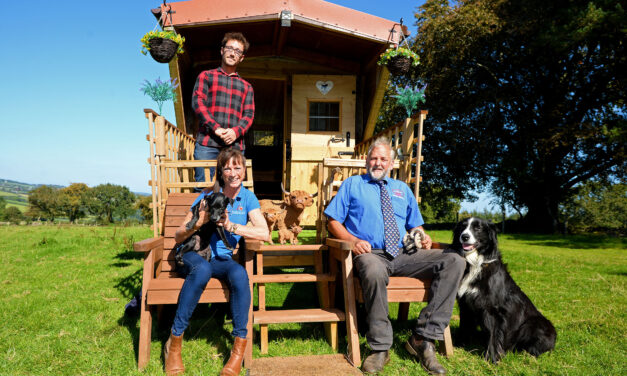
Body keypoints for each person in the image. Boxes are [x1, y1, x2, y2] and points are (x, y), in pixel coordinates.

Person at [324, 137, 465, 375]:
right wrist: (353, 241)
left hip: (405, 252)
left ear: (391, 164)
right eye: (374, 158)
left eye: (383, 159)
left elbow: (415, 226)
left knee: (455, 260)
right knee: (373, 270)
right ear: (366, 160)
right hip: (370, 253)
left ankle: (424, 338)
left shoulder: (402, 189)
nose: (378, 163)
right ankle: (380, 348)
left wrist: (422, 236)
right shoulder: (352, 184)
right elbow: (333, 221)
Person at [163, 148, 269, 376]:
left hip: (221, 259)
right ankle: (174, 342)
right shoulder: (206, 195)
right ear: (220, 171)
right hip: (194, 255)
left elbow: (264, 233)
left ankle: (237, 352)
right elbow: (179, 236)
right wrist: (199, 222)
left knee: (240, 274)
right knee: (201, 270)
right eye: (227, 167)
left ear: (244, 170)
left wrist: (231, 226)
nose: (233, 172)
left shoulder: (248, 198)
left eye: (237, 167)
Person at [191, 32, 255, 185]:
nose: (233, 53)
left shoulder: (247, 87)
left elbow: (249, 115)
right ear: (222, 50)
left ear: (242, 58)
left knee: (233, 188)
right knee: (203, 187)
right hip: (207, 144)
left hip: (235, 146)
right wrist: (216, 128)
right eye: (230, 48)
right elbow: (198, 103)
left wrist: (235, 132)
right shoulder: (206, 76)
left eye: (238, 51)